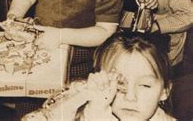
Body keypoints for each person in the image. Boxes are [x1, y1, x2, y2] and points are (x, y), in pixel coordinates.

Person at [23, 32, 175, 121]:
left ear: (164, 91)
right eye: (120, 84)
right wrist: (91, 105)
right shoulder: (86, 106)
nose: (130, 97)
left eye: (145, 85)